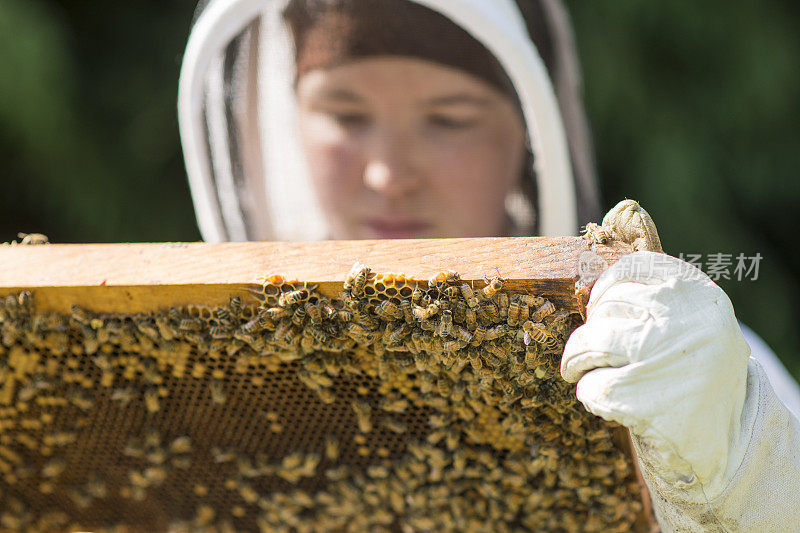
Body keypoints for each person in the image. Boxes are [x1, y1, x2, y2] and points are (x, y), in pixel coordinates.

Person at [178, 0, 800, 529]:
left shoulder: (673, 364)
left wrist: (740, 471)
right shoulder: (203, 374)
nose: (389, 174)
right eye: (345, 114)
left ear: (526, 139)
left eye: (448, 120)